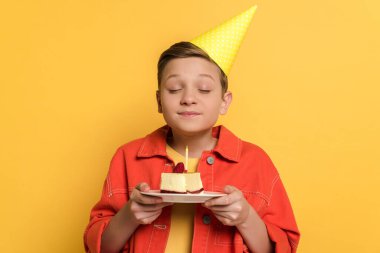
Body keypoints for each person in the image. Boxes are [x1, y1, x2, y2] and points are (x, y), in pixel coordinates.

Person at [84, 6, 300, 253]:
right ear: (158, 101)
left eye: (204, 89)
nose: (188, 98)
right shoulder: (127, 157)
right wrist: (129, 216)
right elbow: (98, 248)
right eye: (175, 88)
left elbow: (283, 248)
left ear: (224, 101)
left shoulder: (255, 162)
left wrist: (246, 218)